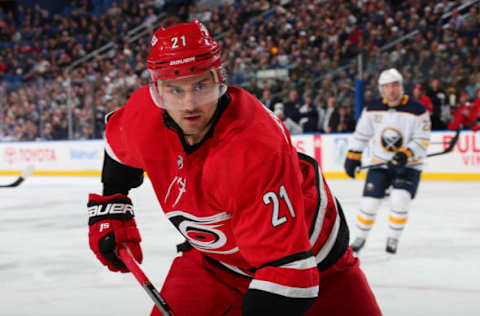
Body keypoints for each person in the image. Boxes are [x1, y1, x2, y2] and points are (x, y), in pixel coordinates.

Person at [87, 20, 381, 316]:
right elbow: (118, 150)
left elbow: (289, 276)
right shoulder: (144, 116)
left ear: (219, 79)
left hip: (318, 267)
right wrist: (114, 203)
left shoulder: (254, 148)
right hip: (214, 265)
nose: (189, 104)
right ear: (157, 90)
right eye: (175, 90)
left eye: (201, 85)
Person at [344, 68, 431, 254]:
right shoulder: (372, 109)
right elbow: (361, 135)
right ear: (381, 89)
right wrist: (353, 156)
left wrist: (405, 154)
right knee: (369, 203)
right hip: (381, 164)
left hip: (409, 165)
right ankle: (360, 237)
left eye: (394, 85)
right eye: (386, 87)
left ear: (401, 86)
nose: (391, 90)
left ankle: (393, 238)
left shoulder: (418, 110)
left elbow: (422, 140)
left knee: (400, 200)